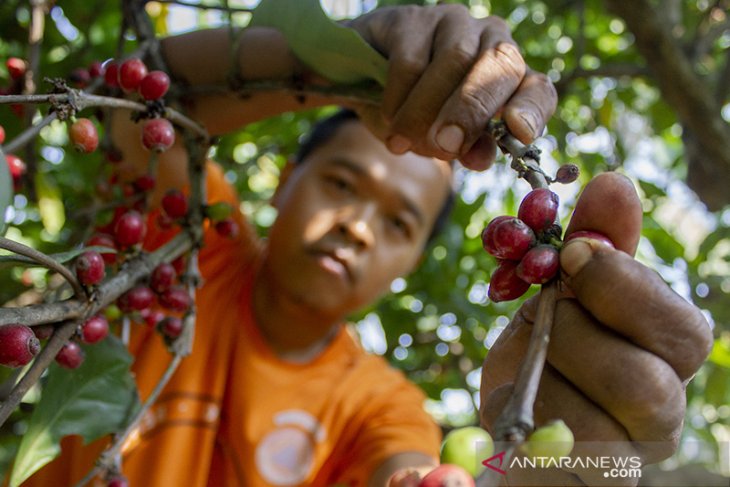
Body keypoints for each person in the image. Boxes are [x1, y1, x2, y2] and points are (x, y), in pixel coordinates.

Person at [25, 4, 712, 487]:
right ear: (286, 182)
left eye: (398, 225)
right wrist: (332, 59)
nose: (357, 226)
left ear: (412, 263)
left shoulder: (381, 405)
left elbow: (405, 466)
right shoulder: (194, 251)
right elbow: (134, 99)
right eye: (343, 183)